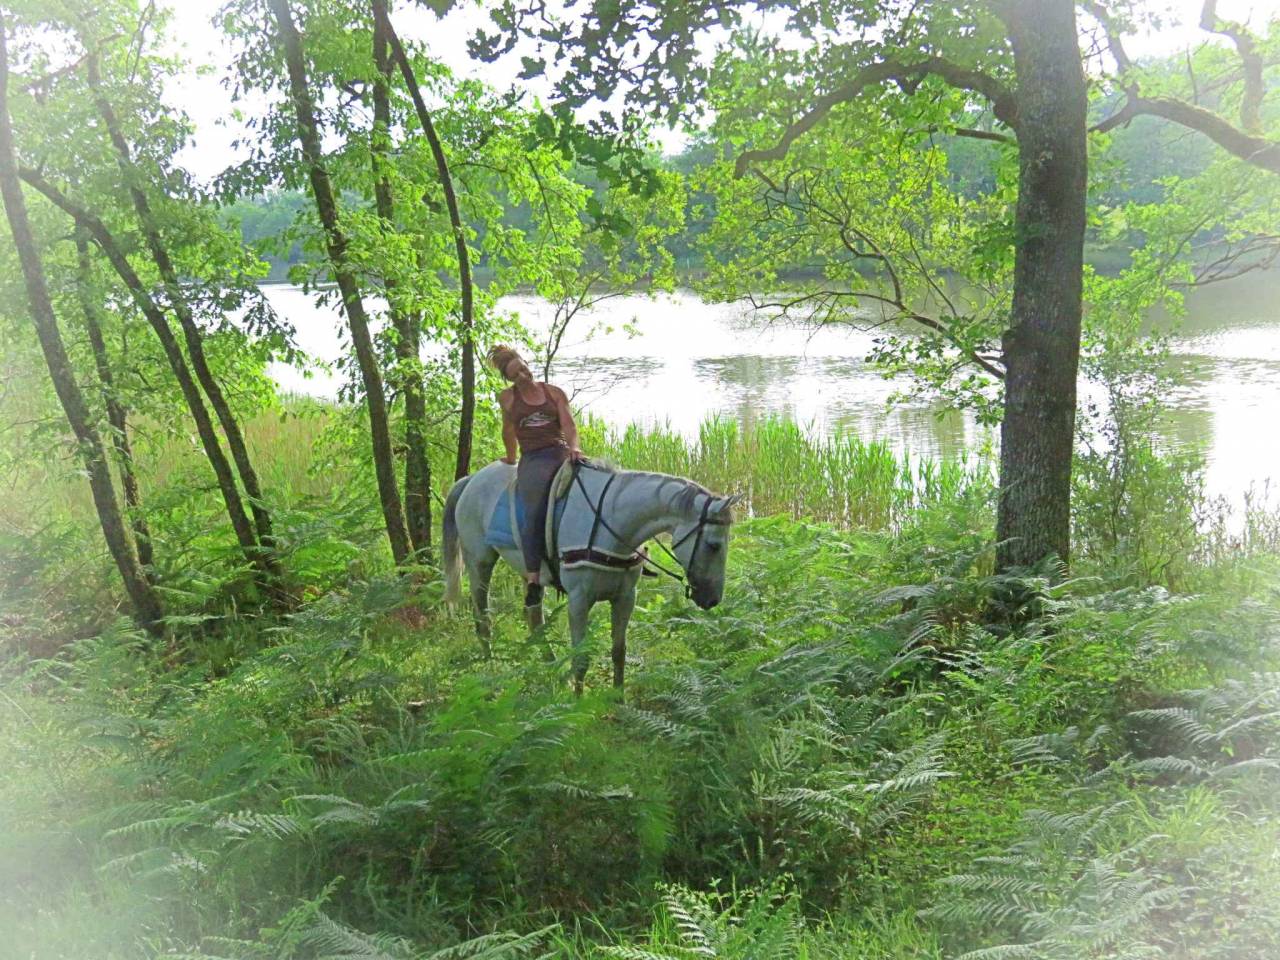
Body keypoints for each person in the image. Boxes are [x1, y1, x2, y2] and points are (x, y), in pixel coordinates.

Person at [487, 345, 584, 590]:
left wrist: (575, 448)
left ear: (527, 364)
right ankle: (533, 574)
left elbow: (569, 426)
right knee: (534, 508)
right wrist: (511, 458)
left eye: (523, 369)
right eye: (514, 375)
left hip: (560, 451)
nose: (522, 376)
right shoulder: (508, 398)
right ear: (509, 379)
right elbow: (508, 431)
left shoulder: (554, 393)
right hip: (533, 458)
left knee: (598, 485)